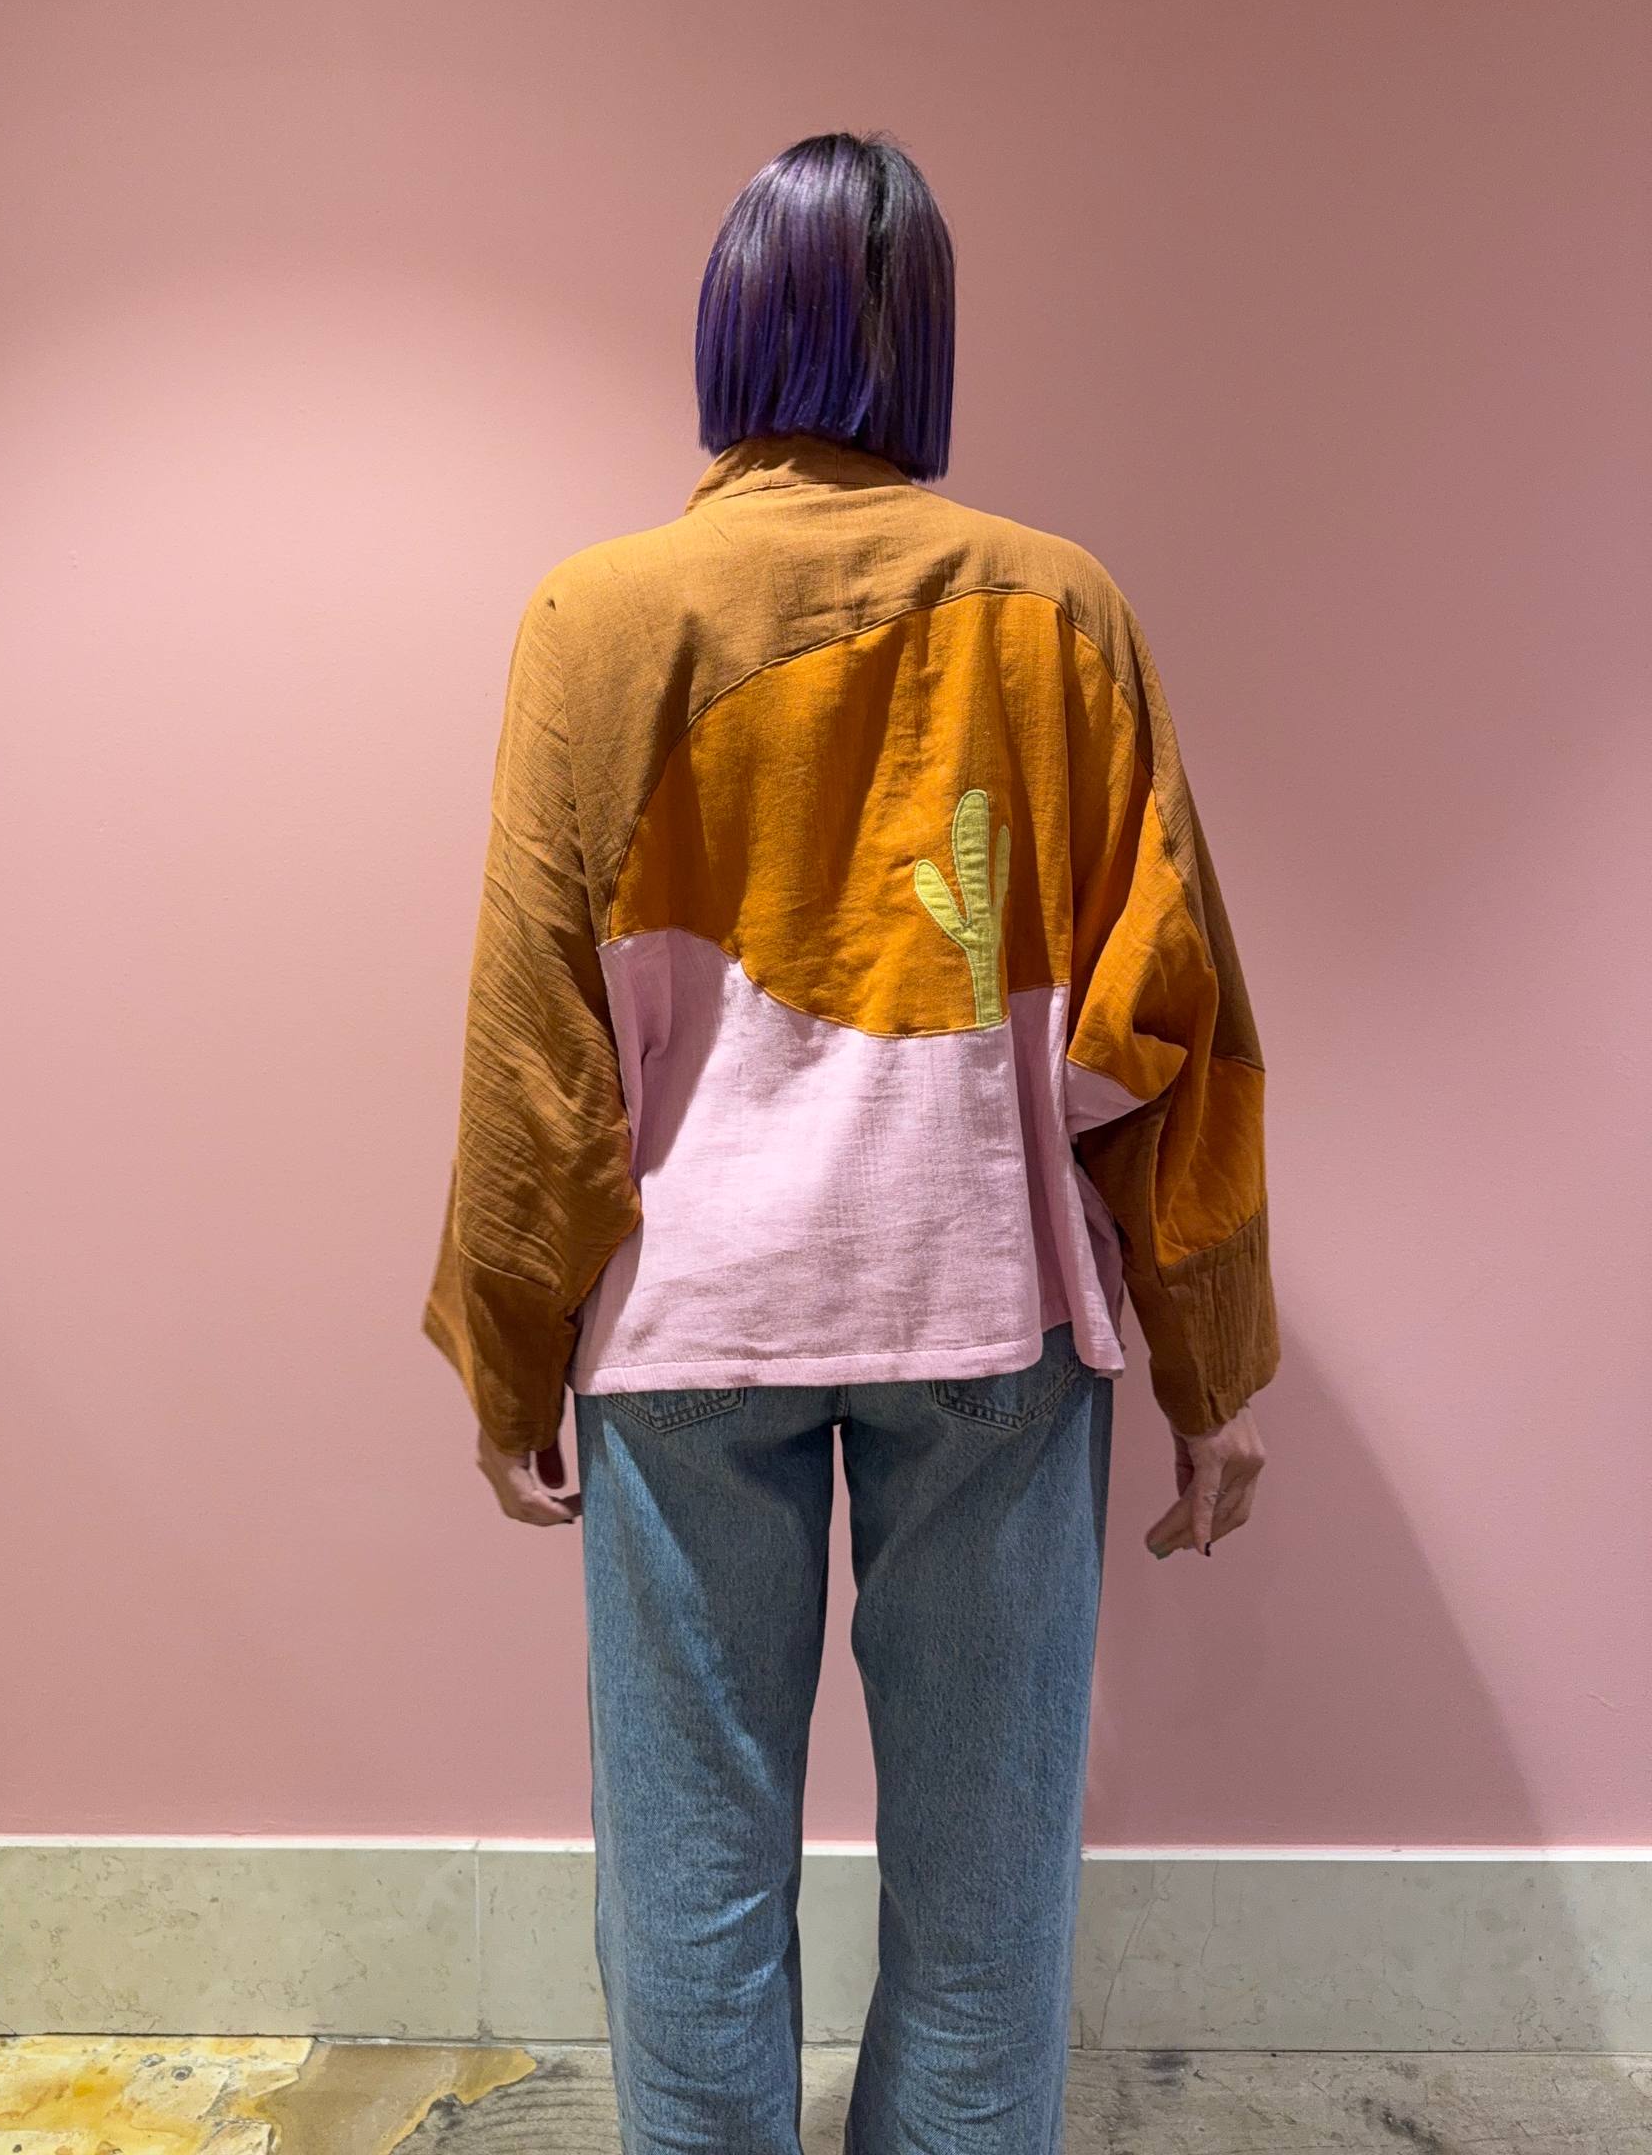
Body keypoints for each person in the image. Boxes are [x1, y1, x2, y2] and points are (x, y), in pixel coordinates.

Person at [423, 131, 1277, 2154]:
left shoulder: (595, 617)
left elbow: (536, 1036)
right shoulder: (1061, 610)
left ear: (726, 330)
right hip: (984, 1310)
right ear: (927, 346)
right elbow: (1172, 1014)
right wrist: (1211, 1364)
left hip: (688, 1328)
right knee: (989, 1890)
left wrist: (508, 1348)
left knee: (689, 1877)